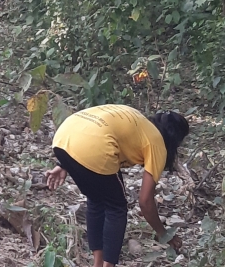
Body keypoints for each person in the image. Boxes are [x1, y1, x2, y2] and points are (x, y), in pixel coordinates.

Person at [46, 105, 189, 267]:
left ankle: (98, 263)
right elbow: (145, 202)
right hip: (95, 147)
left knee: (96, 199)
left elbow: (90, 132)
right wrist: (164, 234)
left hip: (63, 136)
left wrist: (64, 163)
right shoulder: (157, 143)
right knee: (116, 207)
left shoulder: (137, 119)